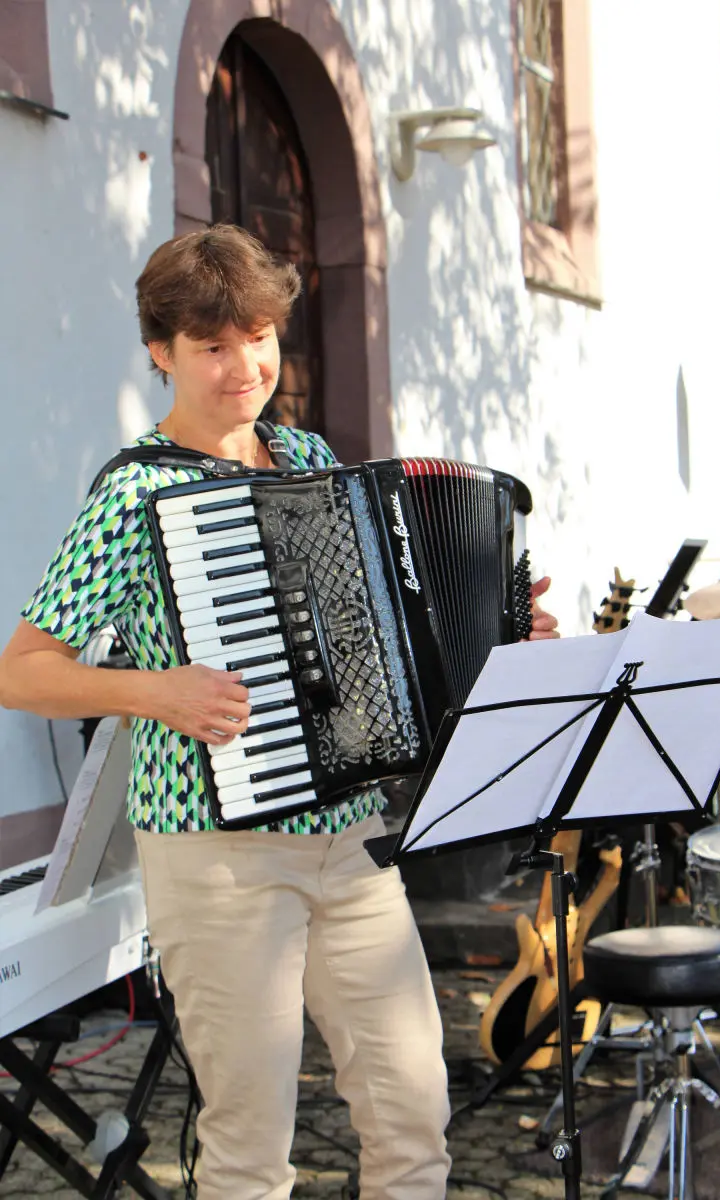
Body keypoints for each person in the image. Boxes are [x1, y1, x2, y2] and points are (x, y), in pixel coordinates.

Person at [0, 225, 560, 1200]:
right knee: (250, 1151)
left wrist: (500, 628)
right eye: (212, 345)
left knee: (412, 1110)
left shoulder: (305, 453)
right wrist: (155, 691)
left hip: (349, 835)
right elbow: (23, 671)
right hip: (218, 855)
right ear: (161, 352)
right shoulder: (135, 493)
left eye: (257, 337)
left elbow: (379, 630)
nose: (244, 366)